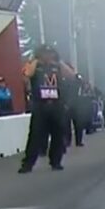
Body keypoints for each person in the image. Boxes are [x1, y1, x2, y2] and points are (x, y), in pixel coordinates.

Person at [19, 44, 76, 173]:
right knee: (35, 135)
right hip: (40, 106)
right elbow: (27, 73)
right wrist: (36, 60)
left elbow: (71, 75)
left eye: (50, 54)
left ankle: (56, 161)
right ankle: (28, 163)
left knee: (58, 135)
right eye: (45, 54)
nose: (48, 57)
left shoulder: (57, 66)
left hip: (56, 105)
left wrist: (58, 61)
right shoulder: (36, 66)